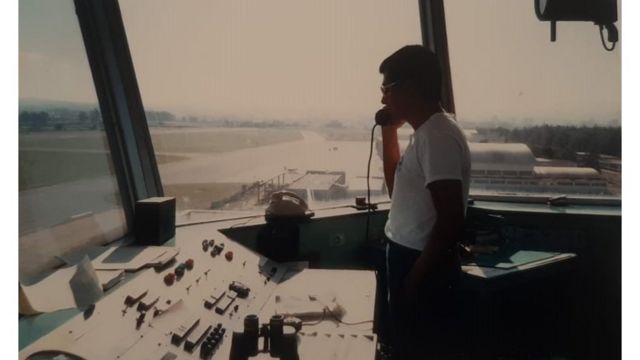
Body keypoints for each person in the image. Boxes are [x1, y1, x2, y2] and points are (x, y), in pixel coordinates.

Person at [379, 45, 471, 359]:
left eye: (386, 89)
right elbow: (396, 191)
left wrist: (415, 278)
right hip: (407, 256)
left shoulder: (437, 136)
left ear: (410, 87)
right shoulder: (423, 134)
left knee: (419, 349)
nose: (382, 99)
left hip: (422, 264)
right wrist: (389, 132)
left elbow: (450, 221)